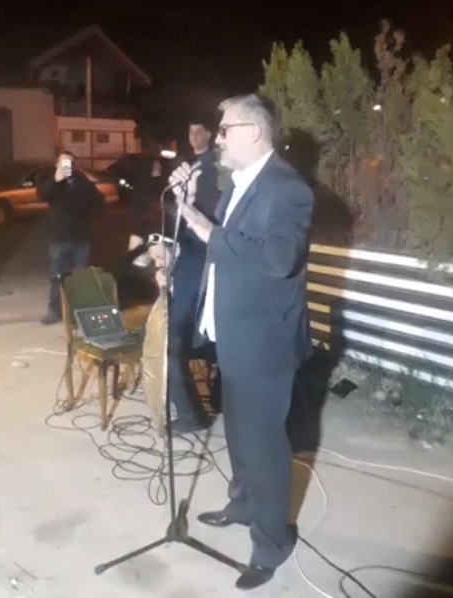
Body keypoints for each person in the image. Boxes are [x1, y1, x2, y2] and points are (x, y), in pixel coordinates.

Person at [172, 94, 314, 590]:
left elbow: (278, 260)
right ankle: (244, 504)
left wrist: (209, 229)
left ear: (253, 132)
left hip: (264, 343)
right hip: (232, 333)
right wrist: (188, 206)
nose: (217, 138)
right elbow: (220, 247)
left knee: (265, 446)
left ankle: (272, 543)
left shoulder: (288, 189)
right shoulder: (238, 183)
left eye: (225, 129)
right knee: (237, 432)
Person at [153, 118, 223, 433]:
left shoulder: (213, 170)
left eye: (199, 131)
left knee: (172, 341)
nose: (193, 136)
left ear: (211, 134)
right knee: (199, 337)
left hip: (201, 264)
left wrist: (187, 201)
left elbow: (205, 222)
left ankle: (192, 413)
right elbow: (178, 217)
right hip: (190, 260)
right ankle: (216, 399)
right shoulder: (191, 165)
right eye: (189, 131)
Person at [37, 151, 105, 325]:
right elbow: (43, 195)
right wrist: (57, 179)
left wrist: (90, 188)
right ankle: (54, 310)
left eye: (70, 163)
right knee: (57, 276)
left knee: (81, 277)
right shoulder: (50, 179)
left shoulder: (81, 180)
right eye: (63, 163)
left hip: (81, 237)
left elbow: (99, 201)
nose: (67, 166)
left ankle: (79, 311)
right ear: (57, 164)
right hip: (59, 237)